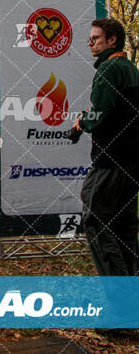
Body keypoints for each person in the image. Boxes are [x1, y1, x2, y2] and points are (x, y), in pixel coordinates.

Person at [71, 18, 139, 276]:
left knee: (96, 220)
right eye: (90, 38)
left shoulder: (108, 69)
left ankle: (121, 299)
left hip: (111, 159)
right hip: (132, 161)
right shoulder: (130, 68)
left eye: (95, 38)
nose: (90, 42)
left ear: (112, 40)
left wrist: (82, 121)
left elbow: (100, 114)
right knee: (124, 228)